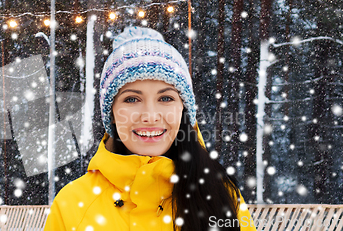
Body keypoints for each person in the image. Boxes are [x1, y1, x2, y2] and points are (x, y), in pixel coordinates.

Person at [44, 27, 256, 231]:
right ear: (112, 113)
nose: (150, 116)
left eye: (165, 98)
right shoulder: (72, 204)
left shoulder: (219, 194)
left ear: (183, 109)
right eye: (132, 99)